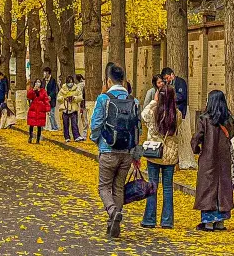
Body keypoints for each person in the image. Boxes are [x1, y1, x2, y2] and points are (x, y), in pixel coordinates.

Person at [90, 63, 140, 239]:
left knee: (103, 186)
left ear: (109, 80)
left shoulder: (104, 99)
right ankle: (113, 223)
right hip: (126, 151)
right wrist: (135, 151)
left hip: (108, 149)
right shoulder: (134, 101)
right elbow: (137, 128)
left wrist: (96, 140)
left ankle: (112, 212)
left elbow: (95, 124)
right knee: (118, 187)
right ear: (123, 80)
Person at [191, 89, 234, 232]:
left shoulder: (204, 119)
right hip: (223, 159)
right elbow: (232, 135)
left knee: (207, 187)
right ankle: (220, 222)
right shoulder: (228, 119)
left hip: (208, 159)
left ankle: (208, 222)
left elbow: (197, 137)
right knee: (223, 188)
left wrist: (196, 149)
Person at [141, 83, 181, 230]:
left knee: (152, 185)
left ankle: (150, 219)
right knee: (168, 188)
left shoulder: (153, 113)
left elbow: (143, 115)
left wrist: (154, 102)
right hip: (169, 155)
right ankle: (167, 221)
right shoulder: (177, 114)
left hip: (154, 153)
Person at [58, 76, 84, 142]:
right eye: (69, 82)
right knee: (65, 124)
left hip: (73, 109)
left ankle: (76, 136)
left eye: (71, 82)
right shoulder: (63, 89)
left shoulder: (77, 88)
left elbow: (80, 97)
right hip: (65, 109)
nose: (70, 83)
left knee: (74, 123)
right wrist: (64, 98)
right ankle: (67, 137)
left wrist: (74, 98)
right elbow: (58, 98)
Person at [27, 79, 50, 143]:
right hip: (33, 109)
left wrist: (47, 109)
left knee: (39, 126)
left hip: (41, 110)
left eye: (39, 82)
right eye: (36, 82)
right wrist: (33, 90)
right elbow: (29, 96)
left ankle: (38, 139)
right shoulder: (32, 90)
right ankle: (30, 137)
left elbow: (46, 100)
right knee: (31, 124)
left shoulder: (43, 91)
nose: (38, 83)